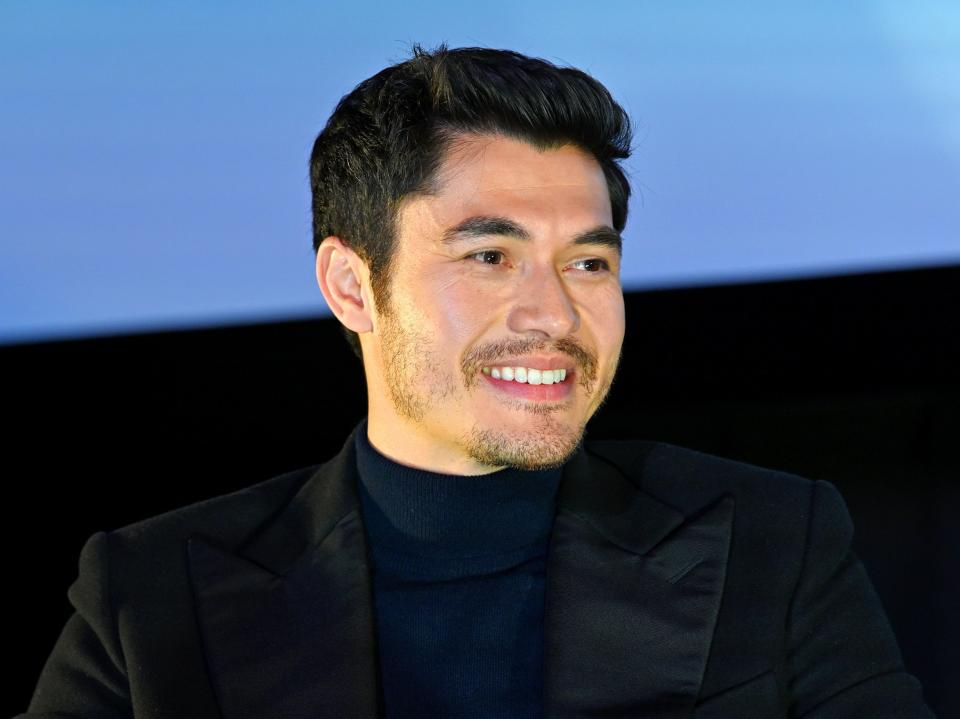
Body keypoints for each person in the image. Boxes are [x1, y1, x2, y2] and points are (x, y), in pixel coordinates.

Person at [20, 44, 935, 719]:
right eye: (492, 255)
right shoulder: (148, 598)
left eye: (588, 264)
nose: (553, 315)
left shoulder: (776, 542)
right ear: (352, 285)